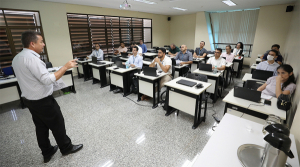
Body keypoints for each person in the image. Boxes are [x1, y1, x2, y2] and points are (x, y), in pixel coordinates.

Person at [12, 31, 83, 163]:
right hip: (42, 101)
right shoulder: (32, 58)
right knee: (58, 124)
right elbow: (47, 80)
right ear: (32, 44)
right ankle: (66, 147)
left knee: (41, 127)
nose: (43, 44)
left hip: (30, 100)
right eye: (41, 42)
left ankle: (47, 151)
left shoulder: (17, 58)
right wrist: (65, 67)